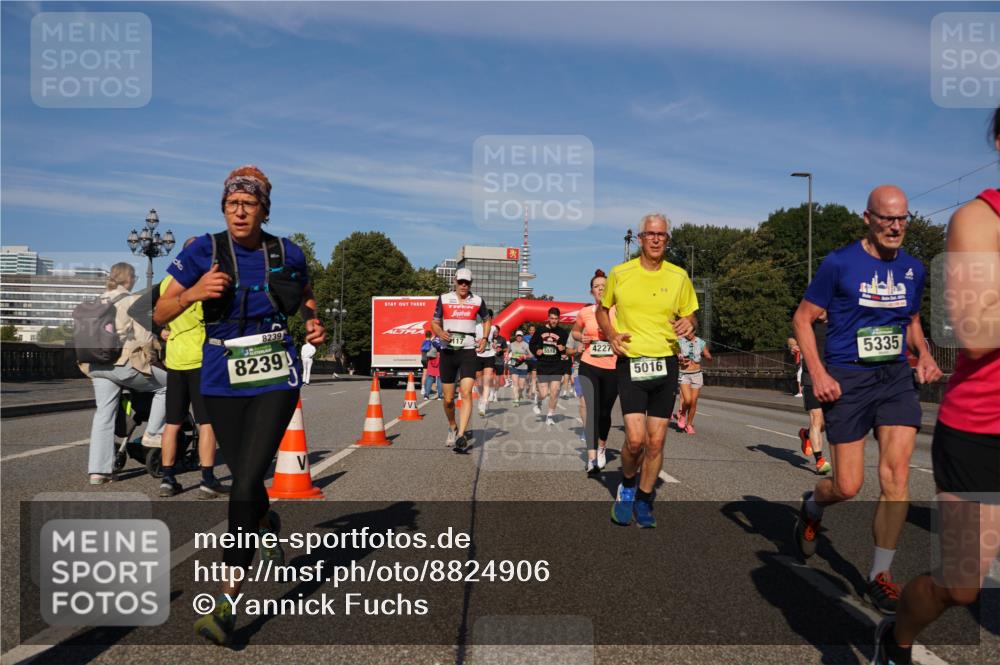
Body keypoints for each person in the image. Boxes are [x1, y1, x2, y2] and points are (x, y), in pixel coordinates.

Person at [155, 165, 325, 645]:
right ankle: (266, 519)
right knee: (248, 484)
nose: (240, 211)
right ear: (223, 207)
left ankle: (228, 603)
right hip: (220, 374)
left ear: (264, 209)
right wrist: (192, 292)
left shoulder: (286, 251)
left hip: (274, 370)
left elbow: (305, 294)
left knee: (246, 479)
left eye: (249, 204)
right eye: (232, 203)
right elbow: (159, 311)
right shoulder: (201, 251)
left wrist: (312, 323)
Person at [873, 107, 1000, 665]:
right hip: (982, 429)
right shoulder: (979, 220)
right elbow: (974, 333)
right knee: (960, 585)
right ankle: (895, 636)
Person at [792, 184, 943, 615]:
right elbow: (802, 319)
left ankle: (880, 576)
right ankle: (811, 507)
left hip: (894, 378)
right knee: (847, 485)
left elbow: (910, 318)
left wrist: (925, 354)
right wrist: (818, 373)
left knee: (897, 477)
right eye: (887, 218)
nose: (896, 226)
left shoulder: (913, 268)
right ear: (868, 218)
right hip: (847, 381)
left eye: (902, 218)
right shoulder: (839, 263)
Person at [597, 214, 698, 527]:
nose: (656, 240)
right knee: (636, 440)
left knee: (656, 442)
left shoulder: (679, 276)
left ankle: (643, 498)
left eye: (662, 235)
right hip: (632, 360)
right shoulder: (620, 273)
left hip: (666, 363)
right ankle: (627, 484)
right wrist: (612, 335)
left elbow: (692, 316)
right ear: (640, 238)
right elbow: (602, 310)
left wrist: (688, 323)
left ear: (667, 240)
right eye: (650, 234)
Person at [81, 262, 168, 485]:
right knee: (168, 386)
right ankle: (153, 434)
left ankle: (98, 472)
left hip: (97, 366)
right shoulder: (131, 301)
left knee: (103, 415)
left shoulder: (96, 301)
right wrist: (155, 359)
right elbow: (145, 339)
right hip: (123, 364)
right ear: (129, 279)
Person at [157, 264, 229, 499]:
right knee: (206, 422)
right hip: (200, 358)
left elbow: (156, 311)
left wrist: (165, 329)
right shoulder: (204, 282)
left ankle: (167, 479)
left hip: (175, 358)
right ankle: (207, 479)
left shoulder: (168, 282)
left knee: (172, 422)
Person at [431, 268, 490, 452]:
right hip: (448, 352)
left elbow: (487, 320)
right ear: (455, 281)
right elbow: (434, 322)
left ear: (471, 283)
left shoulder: (478, 300)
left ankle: (462, 435)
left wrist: (485, 338)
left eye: (468, 282)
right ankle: (453, 426)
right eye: (461, 282)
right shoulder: (444, 298)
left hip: (468, 351)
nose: (464, 285)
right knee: (448, 399)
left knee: (465, 393)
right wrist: (440, 332)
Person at [572, 269, 620, 475]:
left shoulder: (619, 310)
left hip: (613, 366)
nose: (600, 289)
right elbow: (575, 330)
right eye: (596, 286)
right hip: (589, 364)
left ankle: (601, 445)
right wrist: (579, 337)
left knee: (604, 412)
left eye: (604, 286)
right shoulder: (585, 312)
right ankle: (592, 458)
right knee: (591, 409)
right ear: (591, 291)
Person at [796, 310, 832, 474]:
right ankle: (820, 461)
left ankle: (807, 435)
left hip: (832, 377)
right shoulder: (807, 322)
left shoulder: (839, 324)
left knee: (826, 422)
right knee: (816, 417)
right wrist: (794, 345)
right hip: (811, 378)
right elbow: (792, 337)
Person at [529, 307, 569, 426]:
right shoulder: (540, 330)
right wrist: (537, 350)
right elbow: (532, 344)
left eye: (556, 319)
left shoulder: (562, 333)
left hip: (556, 366)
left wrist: (564, 349)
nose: (554, 321)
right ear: (548, 318)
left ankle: (550, 415)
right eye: (552, 318)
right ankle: (538, 400)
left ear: (559, 319)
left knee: (555, 392)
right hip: (543, 365)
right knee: (544, 394)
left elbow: (567, 348)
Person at [676, 331, 712, 435]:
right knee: (687, 399)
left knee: (693, 401)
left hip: (696, 374)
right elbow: (676, 354)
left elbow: (706, 354)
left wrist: (708, 357)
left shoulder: (701, 342)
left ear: (694, 331)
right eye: (686, 331)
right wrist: (680, 358)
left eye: (690, 331)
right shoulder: (680, 342)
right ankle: (682, 414)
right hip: (684, 374)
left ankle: (689, 425)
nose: (688, 334)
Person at [475, 311, 497, 417]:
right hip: (478, 355)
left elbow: (495, 339)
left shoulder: (493, 328)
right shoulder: (476, 327)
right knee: (479, 382)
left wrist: (494, 343)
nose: (487, 319)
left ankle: (483, 405)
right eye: (485, 317)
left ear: (492, 318)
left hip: (489, 356)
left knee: (487, 381)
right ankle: (481, 398)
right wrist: (477, 342)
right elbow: (472, 340)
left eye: (489, 317)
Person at [508, 330, 531, 406]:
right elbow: (507, 353)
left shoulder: (526, 345)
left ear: (522, 337)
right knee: (515, 384)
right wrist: (507, 357)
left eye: (520, 336)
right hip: (514, 366)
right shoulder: (511, 344)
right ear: (515, 336)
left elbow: (531, 355)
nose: (519, 337)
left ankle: (520, 393)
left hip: (523, 367)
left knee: (521, 386)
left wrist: (525, 356)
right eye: (517, 336)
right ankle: (516, 400)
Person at [422, 334, 442, 400]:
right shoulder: (443, 337)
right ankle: (439, 396)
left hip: (431, 358)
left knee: (430, 377)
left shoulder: (433, 338)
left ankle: (426, 395)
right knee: (439, 378)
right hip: (440, 358)